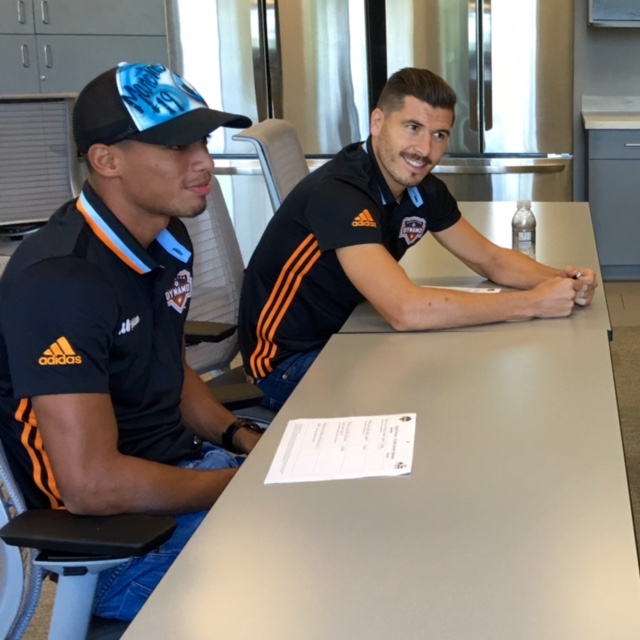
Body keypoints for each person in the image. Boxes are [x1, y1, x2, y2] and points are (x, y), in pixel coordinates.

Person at [0, 62, 261, 622]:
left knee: (353, 526)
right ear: (106, 159)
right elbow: (91, 487)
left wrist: (240, 437)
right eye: (175, 147)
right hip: (120, 541)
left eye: (203, 143)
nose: (204, 164)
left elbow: (168, 365)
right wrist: (232, 486)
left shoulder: (166, 235)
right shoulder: (61, 282)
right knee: (306, 589)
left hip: (186, 479)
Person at [238, 67, 598, 411]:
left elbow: (491, 260)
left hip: (351, 332)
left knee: (459, 377)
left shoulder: (422, 190)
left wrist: (561, 281)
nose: (424, 150)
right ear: (377, 122)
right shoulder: (339, 193)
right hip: (287, 363)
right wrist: (533, 304)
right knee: (440, 399)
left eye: (439, 135)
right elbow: (404, 309)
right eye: (412, 127)